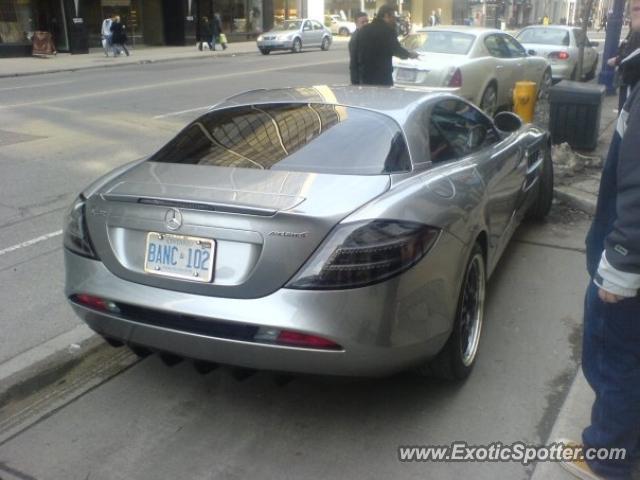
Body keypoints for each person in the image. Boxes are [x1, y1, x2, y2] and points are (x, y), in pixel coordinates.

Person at [559, 0, 640, 477]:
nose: (631, 6)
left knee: (613, 358)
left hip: (628, 259)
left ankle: (607, 457)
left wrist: (622, 265)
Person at [355, 5, 418, 86]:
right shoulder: (388, 31)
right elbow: (396, 49)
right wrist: (409, 54)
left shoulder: (364, 30)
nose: (395, 20)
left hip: (365, 76)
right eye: (393, 17)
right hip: (382, 77)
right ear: (386, 16)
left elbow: (356, 55)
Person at [608, 30, 640, 111]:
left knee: (625, 109)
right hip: (628, 78)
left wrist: (616, 60)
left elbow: (631, 56)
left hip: (630, 79)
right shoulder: (633, 32)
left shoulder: (636, 32)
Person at [349, 11, 369, 84]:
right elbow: (353, 63)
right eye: (363, 22)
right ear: (356, 24)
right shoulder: (355, 39)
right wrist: (355, 83)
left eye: (367, 21)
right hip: (362, 79)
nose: (366, 24)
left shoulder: (368, 35)